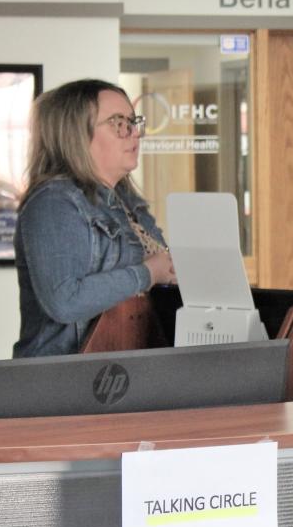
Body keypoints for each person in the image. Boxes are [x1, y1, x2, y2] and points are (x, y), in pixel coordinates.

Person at [13, 79, 176, 358]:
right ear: (75, 133)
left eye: (134, 121)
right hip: (62, 385)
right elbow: (64, 301)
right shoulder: (54, 202)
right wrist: (147, 273)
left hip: (122, 375)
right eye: (118, 123)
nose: (134, 133)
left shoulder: (128, 202)